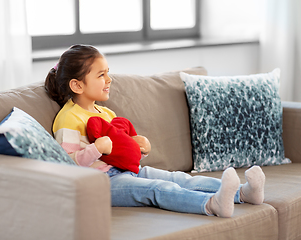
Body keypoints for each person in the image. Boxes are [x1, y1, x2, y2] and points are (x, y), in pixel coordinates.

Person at [44, 44, 266, 218]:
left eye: (108, 73)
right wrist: (95, 149)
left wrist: (141, 148)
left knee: (179, 178)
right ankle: (210, 205)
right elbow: (68, 164)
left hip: (128, 170)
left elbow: (124, 150)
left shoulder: (106, 114)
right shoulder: (68, 118)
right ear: (77, 85)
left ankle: (244, 193)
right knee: (157, 188)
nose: (109, 79)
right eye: (101, 75)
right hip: (103, 183)